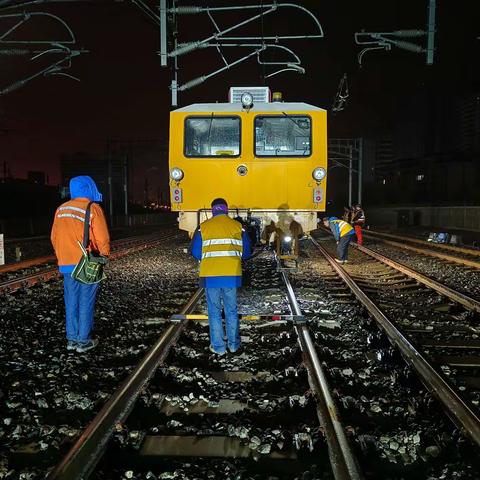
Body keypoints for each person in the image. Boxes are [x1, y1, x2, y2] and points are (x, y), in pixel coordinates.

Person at [51, 176, 110, 353]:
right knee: (86, 300)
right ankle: (84, 341)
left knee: (71, 301)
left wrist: (62, 255)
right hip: (86, 263)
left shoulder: (61, 209)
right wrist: (104, 255)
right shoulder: (93, 208)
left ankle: (72, 339)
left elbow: (54, 237)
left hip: (66, 264)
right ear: (90, 188)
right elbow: (103, 238)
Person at [190, 198, 252, 356]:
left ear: (212, 210)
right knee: (231, 310)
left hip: (211, 276)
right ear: (226, 209)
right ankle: (234, 345)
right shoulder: (238, 227)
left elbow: (196, 252)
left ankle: (218, 347)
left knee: (214, 311)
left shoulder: (203, 228)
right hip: (231, 275)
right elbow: (246, 253)